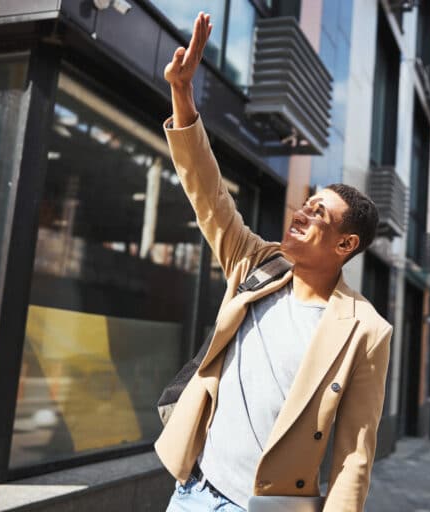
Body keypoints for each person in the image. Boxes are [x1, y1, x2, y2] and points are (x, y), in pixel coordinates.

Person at [156, 12, 392, 512]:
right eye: (306, 203)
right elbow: (208, 194)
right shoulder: (258, 265)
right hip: (193, 490)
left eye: (319, 213)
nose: (302, 211)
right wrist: (182, 96)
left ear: (345, 245)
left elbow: (354, 453)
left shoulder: (366, 330)